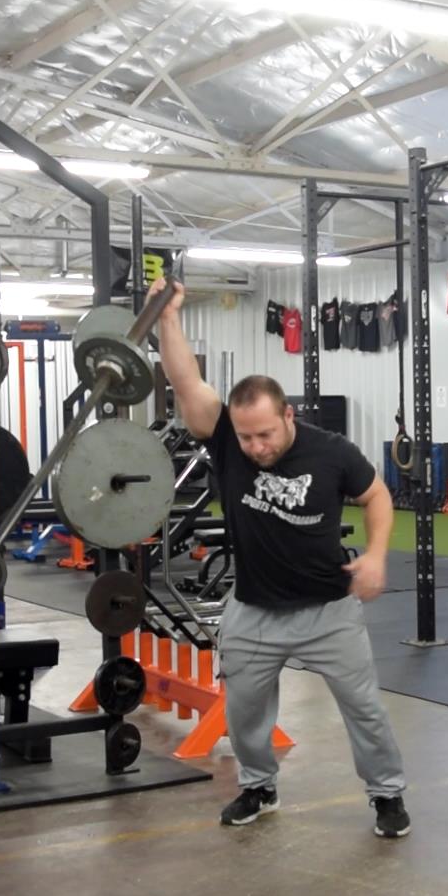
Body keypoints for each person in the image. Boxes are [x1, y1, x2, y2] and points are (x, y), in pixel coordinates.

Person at [155, 280, 410, 838]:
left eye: (265, 435)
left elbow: (377, 496)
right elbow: (184, 380)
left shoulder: (332, 451)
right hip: (253, 610)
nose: (256, 448)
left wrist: (375, 555)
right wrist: (168, 318)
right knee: (244, 715)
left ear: (288, 415)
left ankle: (387, 794)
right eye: (246, 438)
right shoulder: (225, 437)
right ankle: (259, 787)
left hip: (328, 609)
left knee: (364, 710)